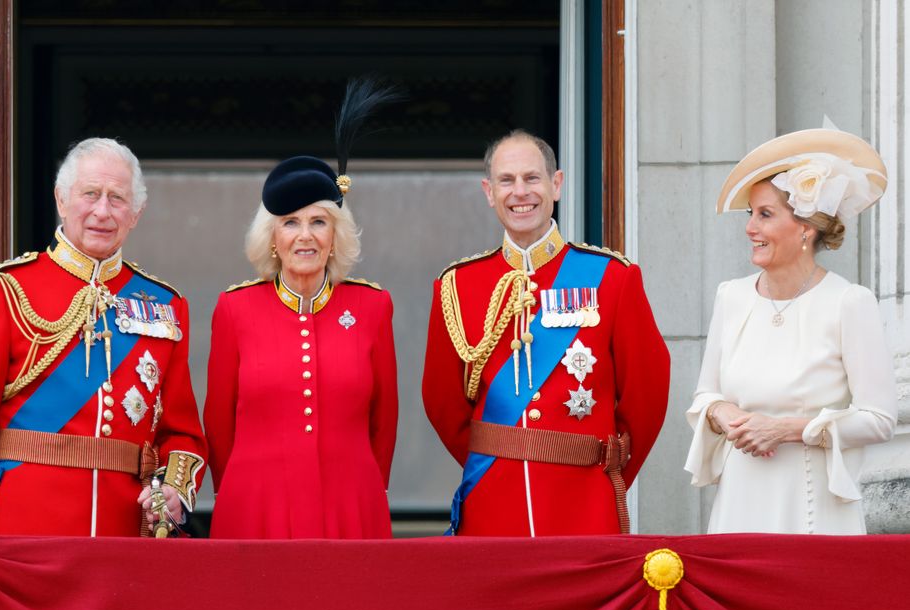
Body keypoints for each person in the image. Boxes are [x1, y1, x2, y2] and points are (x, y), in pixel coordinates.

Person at [0, 138, 207, 537]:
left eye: (117, 199)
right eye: (90, 194)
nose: (102, 211)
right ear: (61, 200)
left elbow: (182, 433)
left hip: (125, 536)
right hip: (23, 530)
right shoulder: (4, 290)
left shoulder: (167, 306)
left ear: (136, 213)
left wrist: (172, 490)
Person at [422, 130, 670, 536]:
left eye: (532, 178)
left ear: (556, 184)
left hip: (584, 503)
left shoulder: (611, 278)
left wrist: (600, 468)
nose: (521, 192)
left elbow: (647, 396)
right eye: (507, 181)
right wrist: (497, 458)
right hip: (493, 503)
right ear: (489, 191)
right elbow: (442, 403)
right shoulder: (457, 285)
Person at [204, 81, 399, 539]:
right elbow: (218, 423)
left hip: (352, 504)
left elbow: (384, 419)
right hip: (254, 506)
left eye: (318, 222)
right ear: (271, 237)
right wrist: (233, 491)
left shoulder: (372, 306)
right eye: (290, 223)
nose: (304, 236)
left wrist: (370, 491)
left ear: (336, 235)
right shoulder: (235, 308)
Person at [685, 127, 898, 534]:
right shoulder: (731, 297)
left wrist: (786, 430)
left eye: (765, 214)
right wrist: (722, 413)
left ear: (806, 228)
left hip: (814, 511)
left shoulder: (849, 302)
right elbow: (705, 395)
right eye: (751, 214)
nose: (750, 228)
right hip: (739, 506)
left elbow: (879, 419)